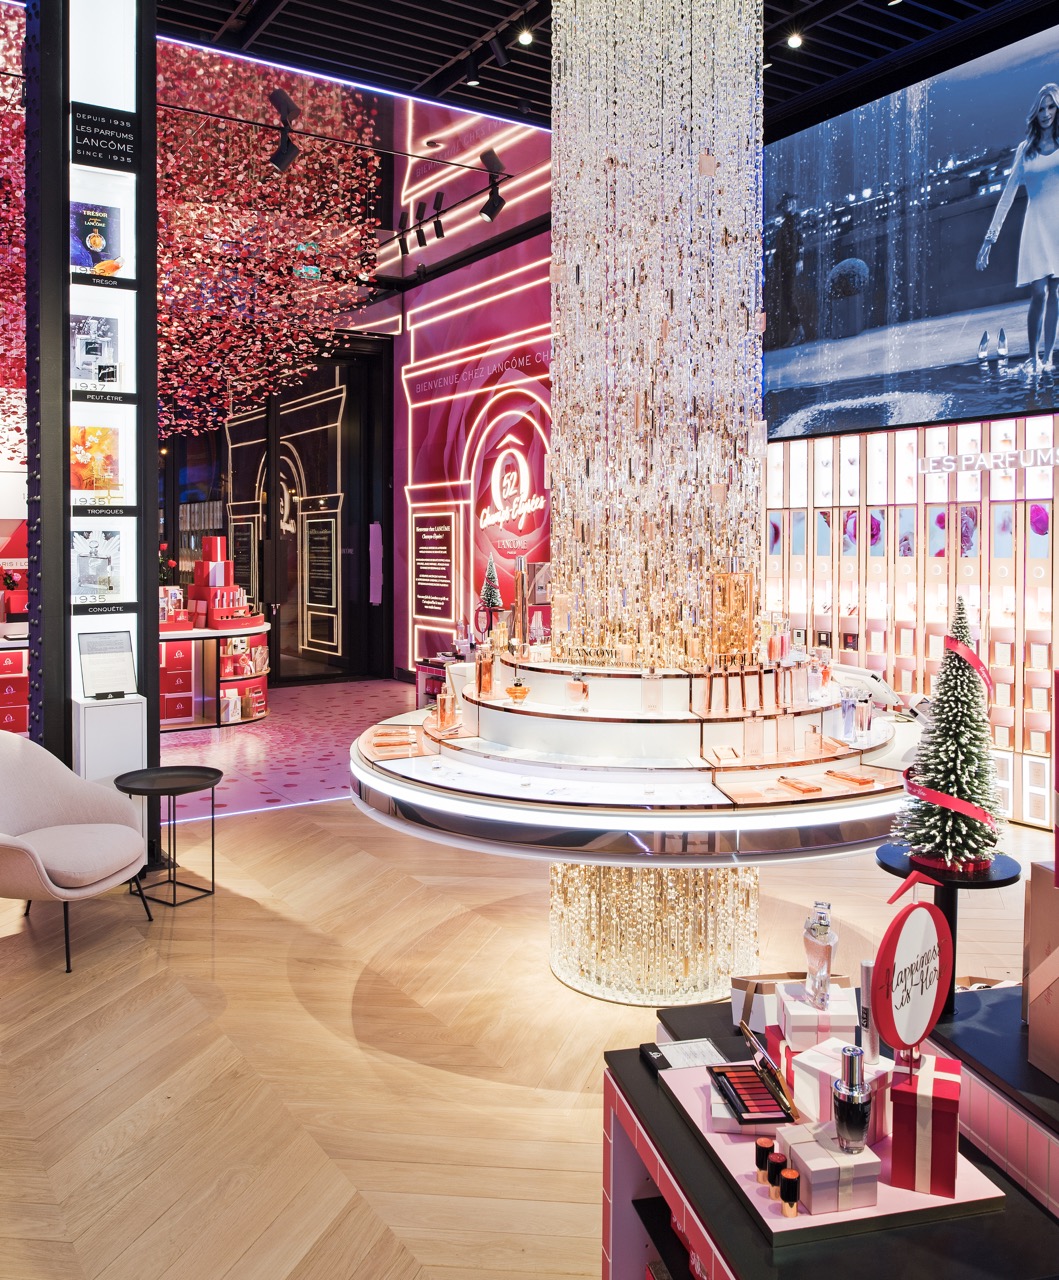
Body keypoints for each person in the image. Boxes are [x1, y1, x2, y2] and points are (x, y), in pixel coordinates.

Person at [977, 84, 1059, 372]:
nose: (1046, 113)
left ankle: (1048, 359)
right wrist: (989, 239)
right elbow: (1008, 194)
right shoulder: (1026, 150)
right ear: (1035, 112)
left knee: (1055, 293)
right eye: (1041, 108)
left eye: (1051, 107)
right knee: (1039, 293)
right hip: (1036, 225)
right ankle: (1033, 357)